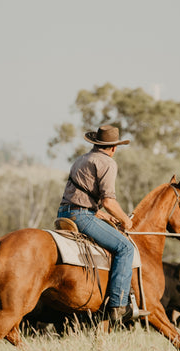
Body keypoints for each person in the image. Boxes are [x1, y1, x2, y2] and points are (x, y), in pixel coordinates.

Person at [57, 125, 149, 325]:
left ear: (96, 143)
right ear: (114, 148)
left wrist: (105, 217)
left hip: (65, 212)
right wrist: (126, 220)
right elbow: (108, 201)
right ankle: (118, 305)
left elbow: (80, 197)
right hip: (81, 216)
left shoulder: (82, 159)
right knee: (124, 248)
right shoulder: (107, 162)